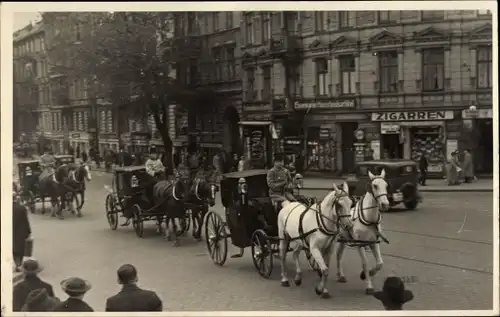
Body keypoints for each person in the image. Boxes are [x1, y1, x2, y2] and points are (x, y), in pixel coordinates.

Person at [13, 199, 32, 272]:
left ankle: (16, 263)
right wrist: (28, 232)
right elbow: (25, 221)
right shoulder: (21, 208)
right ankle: (18, 265)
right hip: (20, 233)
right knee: (19, 249)